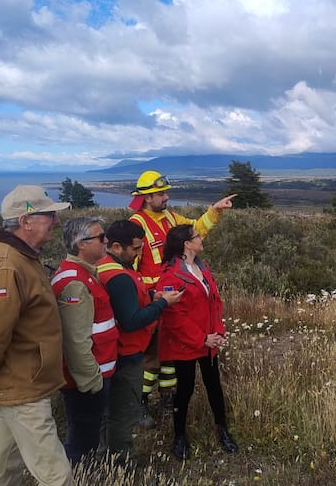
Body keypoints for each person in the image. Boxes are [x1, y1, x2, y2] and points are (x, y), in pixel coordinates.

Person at [0, 185, 73, 486]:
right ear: (26, 221)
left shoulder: (19, 257)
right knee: (56, 476)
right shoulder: (6, 266)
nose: (56, 222)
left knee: (4, 470)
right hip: (21, 388)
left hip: (18, 384)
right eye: (49, 216)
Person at [128, 170, 235, 426]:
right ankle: (138, 404)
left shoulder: (169, 217)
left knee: (169, 357)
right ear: (147, 197)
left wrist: (215, 211)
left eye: (166, 192)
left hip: (175, 301)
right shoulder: (137, 224)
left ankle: (167, 399)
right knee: (150, 359)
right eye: (161, 194)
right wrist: (147, 297)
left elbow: (195, 230)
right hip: (153, 302)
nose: (166, 197)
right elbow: (128, 270)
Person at [96, 220, 183, 460]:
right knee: (122, 414)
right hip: (127, 354)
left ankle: (103, 458)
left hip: (112, 353)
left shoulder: (106, 267)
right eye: (135, 248)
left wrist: (153, 295)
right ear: (115, 247)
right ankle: (121, 463)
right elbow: (132, 320)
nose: (139, 253)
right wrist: (162, 303)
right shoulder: (120, 276)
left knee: (107, 413)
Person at [156, 224, 238, 461]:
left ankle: (222, 429)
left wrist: (218, 332)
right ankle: (179, 436)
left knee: (214, 385)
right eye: (197, 236)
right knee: (185, 389)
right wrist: (202, 338)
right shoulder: (170, 276)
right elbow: (173, 317)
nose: (202, 239)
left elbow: (215, 303)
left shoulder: (202, 267)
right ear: (186, 244)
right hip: (187, 344)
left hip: (209, 341)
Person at [50, 217, 118, 466]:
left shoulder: (84, 273)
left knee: (89, 433)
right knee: (83, 439)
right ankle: (79, 475)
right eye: (101, 238)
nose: (106, 241)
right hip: (87, 380)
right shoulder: (75, 283)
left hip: (94, 374)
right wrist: (92, 382)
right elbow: (75, 340)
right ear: (81, 244)